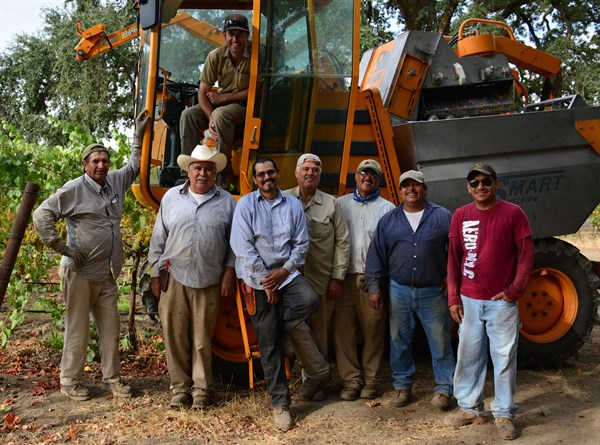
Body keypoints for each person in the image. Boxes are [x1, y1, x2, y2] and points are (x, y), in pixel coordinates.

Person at [33, 110, 150, 401]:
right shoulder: (74, 189)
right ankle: (70, 381)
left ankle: (112, 379)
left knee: (111, 328)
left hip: (106, 273)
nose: (101, 165)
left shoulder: (115, 182)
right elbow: (41, 214)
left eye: (105, 161)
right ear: (85, 165)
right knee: (78, 329)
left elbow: (135, 165)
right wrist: (64, 248)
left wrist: (138, 134)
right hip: (80, 273)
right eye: (95, 161)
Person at [230, 157, 330, 431]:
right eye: (261, 174)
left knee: (309, 300)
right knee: (269, 344)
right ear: (255, 179)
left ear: (277, 174)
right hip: (257, 277)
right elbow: (243, 248)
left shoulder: (293, 205)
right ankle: (281, 403)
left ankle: (274, 327)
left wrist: (283, 273)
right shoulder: (246, 206)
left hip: (287, 275)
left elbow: (301, 244)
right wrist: (266, 281)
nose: (266, 177)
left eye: (270, 172)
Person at [444, 163, 534, 440]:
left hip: (501, 303)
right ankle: (470, 408)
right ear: (468, 188)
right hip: (469, 300)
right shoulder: (461, 215)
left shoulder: (513, 213)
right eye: (474, 183)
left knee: (504, 358)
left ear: (496, 184)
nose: (480, 187)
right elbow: (453, 258)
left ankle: (504, 413)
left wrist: (514, 290)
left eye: (486, 181)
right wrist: (453, 297)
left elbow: (527, 254)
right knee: (468, 356)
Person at [147, 144, 236, 409]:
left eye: (209, 169)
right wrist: (154, 273)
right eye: (198, 168)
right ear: (189, 170)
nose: (203, 173)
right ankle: (179, 390)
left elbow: (234, 243)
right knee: (174, 337)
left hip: (209, 279)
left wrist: (229, 271)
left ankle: (200, 392)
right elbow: (158, 238)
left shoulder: (227, 201)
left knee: (201, 340)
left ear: (214, 172)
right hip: (173, 276)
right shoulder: (171, 198)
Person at [365, 170, 455, 410]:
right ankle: (403, 387)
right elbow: (375, 257)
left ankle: (445, 390)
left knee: (440, 342)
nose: (411, 189)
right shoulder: (389, 220)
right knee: (399, 341)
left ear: (424, 189)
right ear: (400, 190)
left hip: (432, 291)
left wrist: (450, 276)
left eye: (416, 185)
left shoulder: (442, 216)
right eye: (406, 186)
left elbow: (459, 250)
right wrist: (374, 288)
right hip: (399, 290)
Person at [334, 159, 395, 401]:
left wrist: (379, 282)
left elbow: (389, 249)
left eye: (373, 174)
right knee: (343, 332)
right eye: (363, 173)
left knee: (373, 332)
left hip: (372, 280)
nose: (367, 177)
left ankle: (370, 380)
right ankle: (351, 381)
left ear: (378, 180)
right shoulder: (339, 204)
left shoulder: (388, 209)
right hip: (343, 278)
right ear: (355, 177)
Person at [284, 153, 350, 362]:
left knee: (319, 333)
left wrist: (337, 278)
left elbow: (343, 241)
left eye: (315, 170)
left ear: (320, 176)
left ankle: (317, 380)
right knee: (291, 330)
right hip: (289, 281)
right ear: (296, 173)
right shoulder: (282, 200)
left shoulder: (331, 204)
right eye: (306, 169)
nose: (310, 173)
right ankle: (297, 375)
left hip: (321, 281)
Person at [179, 14, 251, 183]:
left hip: (245, 106)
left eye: (239, 34)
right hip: (221, 106)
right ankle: (187, 172)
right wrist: (210, 116)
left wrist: (224, 97)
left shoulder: (257, 54)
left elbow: (258, 90)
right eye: (231, 34)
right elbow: (202, 92)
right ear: (224, 35)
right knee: (188, 115)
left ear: (247, 35)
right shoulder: (215, 56)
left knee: (220, 115)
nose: (235, 39)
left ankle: (222, 173)